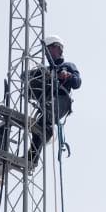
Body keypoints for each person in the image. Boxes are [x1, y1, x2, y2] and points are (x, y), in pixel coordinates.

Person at [28, 36, 81, 166]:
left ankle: (34, 153)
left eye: (49, 49)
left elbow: (77, 82)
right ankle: (32, 156)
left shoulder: (67, 66)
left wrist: (67, 75)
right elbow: (25, 76)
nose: (47, 53)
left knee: (44, 121)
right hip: (48, 101)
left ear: (57, 48)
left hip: (61, 100)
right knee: (40, 125)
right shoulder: (46, 70)